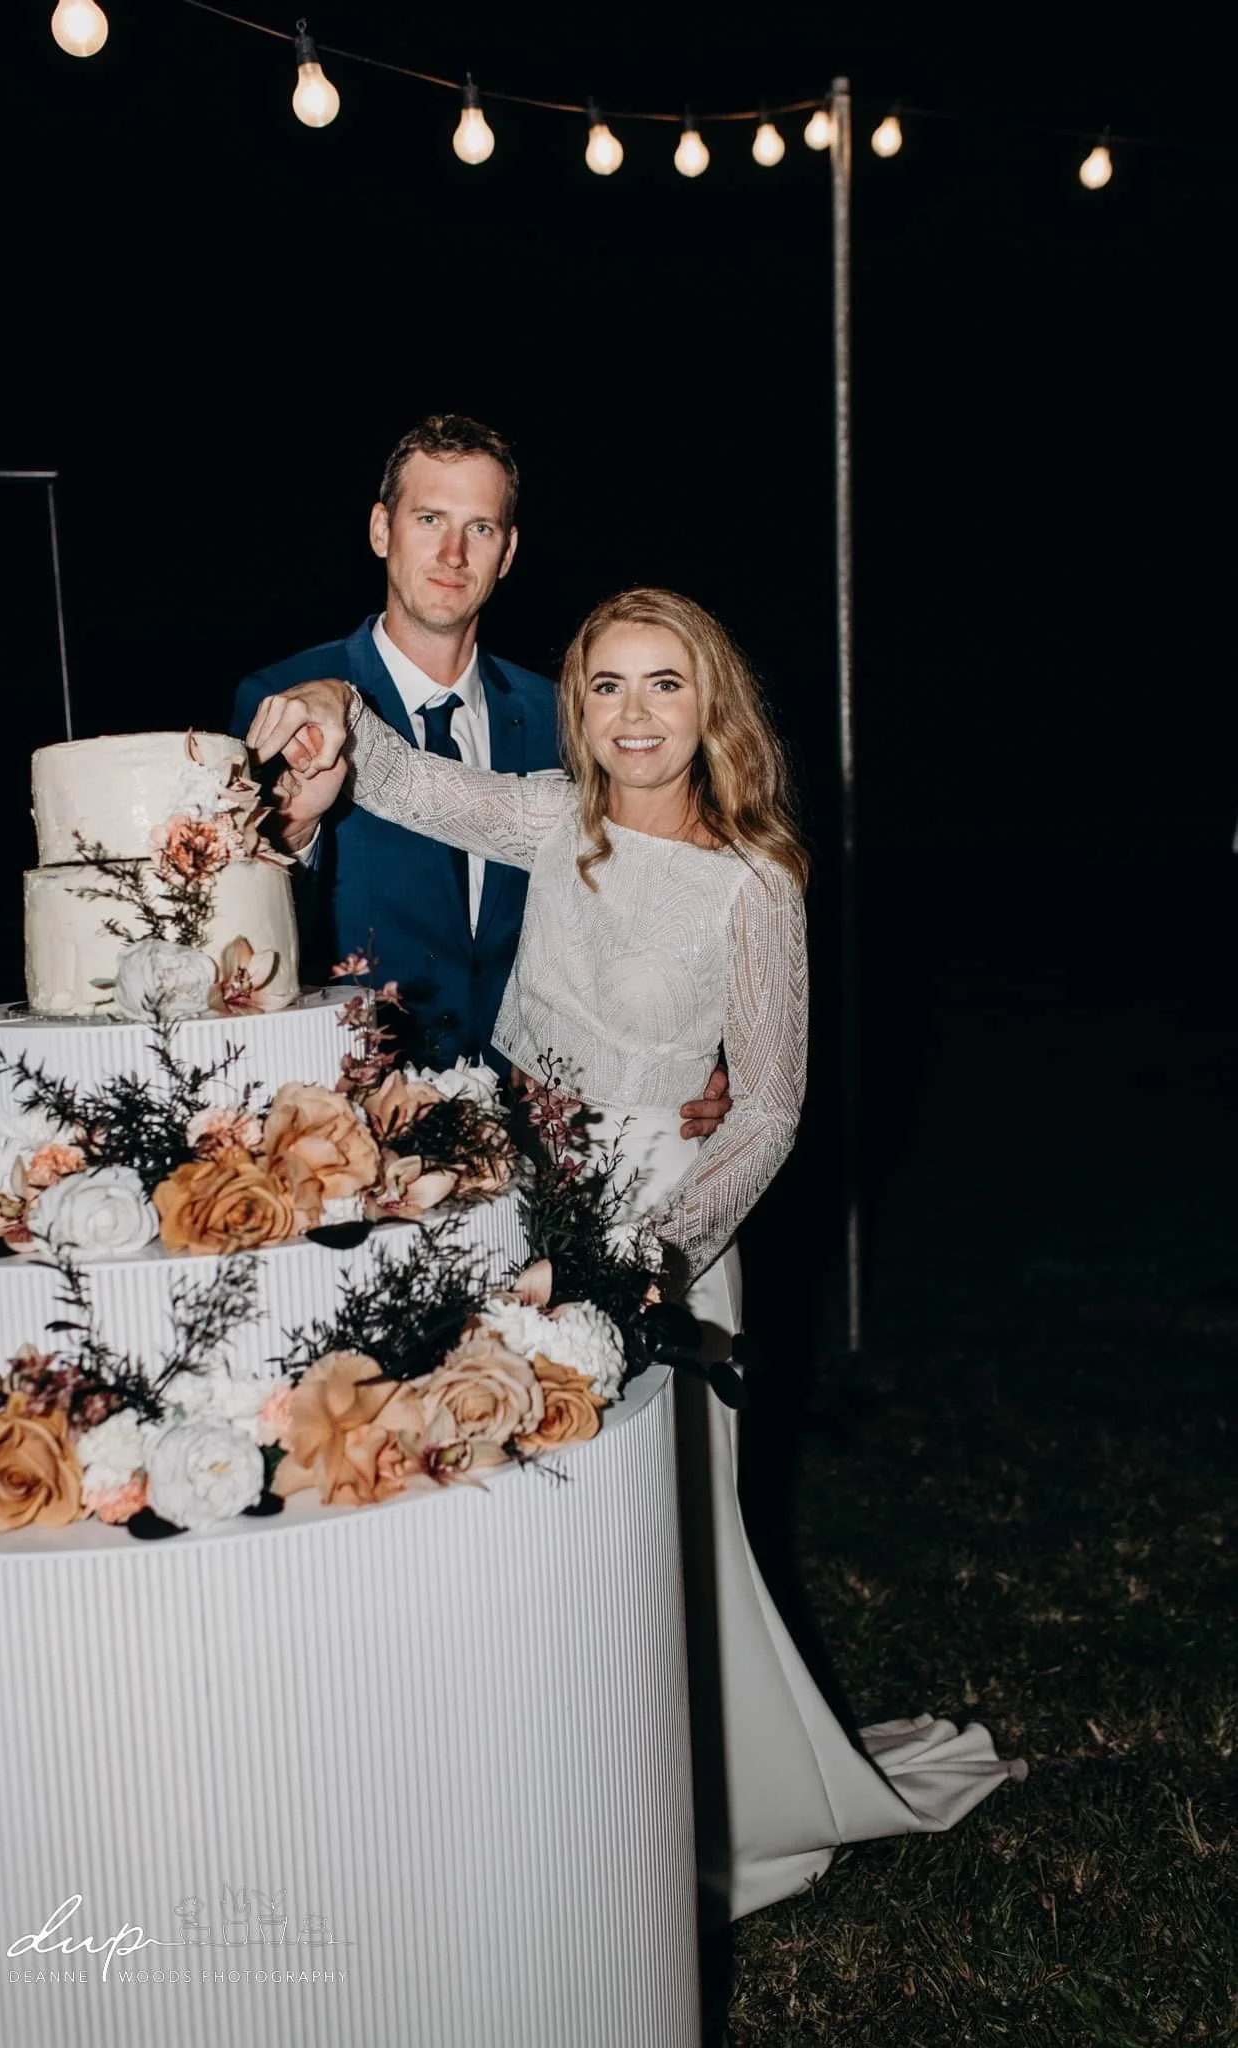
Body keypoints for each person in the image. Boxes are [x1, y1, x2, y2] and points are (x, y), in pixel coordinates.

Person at [246, 585, 1024, 1924]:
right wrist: (328, 703)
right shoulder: (555, 818)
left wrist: (641, 1262)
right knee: (519, 1508)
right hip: (515, 1201)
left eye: (663, 683)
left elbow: (765, 1110)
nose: (634, 713)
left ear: (710, 703)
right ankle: (553, 1783)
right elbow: (405, 780)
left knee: (656, 1528)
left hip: (662, 1228)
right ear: (578, 708)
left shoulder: (754, 882)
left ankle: (681, 1796)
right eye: (606, 684)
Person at [231, 413, 730, 1140]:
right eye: (429, 518)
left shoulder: (568, 716)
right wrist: (294, 828)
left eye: (480, 528)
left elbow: (641, 903)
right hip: (350, 1114)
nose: (452, 553)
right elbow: (242, 932)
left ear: (508, 552)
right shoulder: (284, 700)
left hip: (541, 1125)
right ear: (381, 530)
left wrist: (689, 1059)